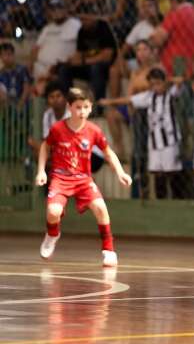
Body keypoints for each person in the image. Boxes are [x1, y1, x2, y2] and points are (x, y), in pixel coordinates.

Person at [35, 87, 132, 268]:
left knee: (101, 208)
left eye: (86, 107)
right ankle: (52, 234)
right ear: (70, 107)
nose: (82, 111)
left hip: (83, 179)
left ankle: (109, 250)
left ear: (91, 107)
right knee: (53, 212)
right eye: (78, 107)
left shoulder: (94, 130)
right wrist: (41, 171)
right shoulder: (57, 129)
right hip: (61, 178)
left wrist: (120, 173)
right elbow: (45, 147)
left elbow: (108, 153)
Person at [100, 68, 185, 200]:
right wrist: (109, 102)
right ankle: (161, 200)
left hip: (170, 140)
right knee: (157, 173)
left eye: (158, 84)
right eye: (152, 84)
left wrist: (168, 81)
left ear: (164, 82)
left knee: (171, 171)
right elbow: (129, 100)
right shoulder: (149, 97)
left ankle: (177, 199)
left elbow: (180, 81)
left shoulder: (171, 93)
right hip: (154, 142)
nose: (155, 87)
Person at [30, 0, 81, 96]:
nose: (56, 11)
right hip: (40, 67)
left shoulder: (76, 25)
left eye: (59, 8)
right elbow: (36, 48)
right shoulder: (48, 28)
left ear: (66, 9)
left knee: (43, 88)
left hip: (58, 68)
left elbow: (81, 48)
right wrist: (31, 64)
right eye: (52, 9)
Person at [151, 0, 194, 78]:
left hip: (176, 62)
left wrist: (153, 35)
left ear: (174, 0)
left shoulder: (175, 14)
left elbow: (157, 40)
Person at [0, 42, 32, 107]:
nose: (7, 57)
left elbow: (26, 87)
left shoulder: (22, 69)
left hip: (21, 106)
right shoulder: (1, 73)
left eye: (9, 54)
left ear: (13, 55)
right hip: (6, 106)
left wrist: (21, 102)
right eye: (4, 55)